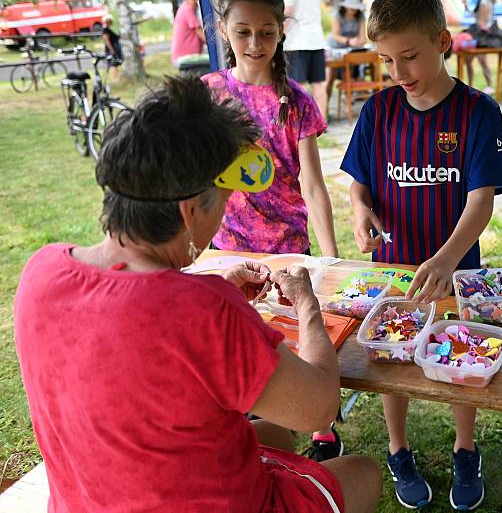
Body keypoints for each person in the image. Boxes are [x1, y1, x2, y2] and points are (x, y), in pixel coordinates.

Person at [13, 75, 382, 513]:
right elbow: (318, 408)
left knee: (275, 435)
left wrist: (219, 302)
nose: (223, 216)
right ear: (189, 211)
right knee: (364, 473)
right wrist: (307, 305)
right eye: (223, 202)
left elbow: (134, 343)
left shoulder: (42, 270)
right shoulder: (204, 311)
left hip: (90, 497)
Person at [340, 0, 502, 509]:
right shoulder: (379, 111)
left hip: (453, 269)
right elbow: (358, 180)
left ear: (443, 41)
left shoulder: (478, 112)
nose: (399, 73)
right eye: (387, 60)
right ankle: (399, 448)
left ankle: (466, 448)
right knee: (391, 359)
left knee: (463, 358)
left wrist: (445, 259)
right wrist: (359, 208)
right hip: (393, 269)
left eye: (410, 57)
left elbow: (481, 201)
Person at [205, 0, 341, 462]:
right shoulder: (209, 97)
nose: (256, 44)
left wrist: (329, 256)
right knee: (244, 344)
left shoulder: (297, 101)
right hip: (229, 249)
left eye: (266, 31)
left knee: (299, 334)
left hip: (289, 246)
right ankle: (258, 424)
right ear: (223, 30)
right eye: (243, 32)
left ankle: (322, 424)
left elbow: (313, 185)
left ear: (281, 31)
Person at [278, 0, 328, 119]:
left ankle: (301, 124)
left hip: (296, 42)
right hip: (316, 39)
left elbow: (287, 11)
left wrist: (277, 37)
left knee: (297, 86)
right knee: (319, 85)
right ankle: (321, 122)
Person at [326, 0, 367, 108]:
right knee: (331, 77)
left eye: (356, 8)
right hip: (336, 47)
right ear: (346, 6)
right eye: (351, 8)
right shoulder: (337, 15)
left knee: (349, 72)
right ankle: (326, 105)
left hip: (350, 49)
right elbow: (335, 35)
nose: (354, 10)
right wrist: (349, 41)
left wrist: (358, 42)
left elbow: (362, 37)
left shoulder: (360, 16)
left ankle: (349, 96)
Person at [464, 0, 495, 93]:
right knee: (470, 59)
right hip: (480, 35)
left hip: (481, 36)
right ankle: (471, 85)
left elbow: (482, 22)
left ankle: (489, 85)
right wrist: (467, 8)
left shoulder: (483, 2)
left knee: (480, 60)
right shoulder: (483, 1)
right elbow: (478, 18)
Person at [171, 0, 206, 65]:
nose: (196, 2)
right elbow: (199, 31)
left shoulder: (182, 9)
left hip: (182, 57)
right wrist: (214, 43)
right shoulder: (188, 9)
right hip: (186, 58)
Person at [101, 14, 122, 79]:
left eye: (110, 21)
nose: (109, 22)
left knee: (116, 63)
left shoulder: (110, 29)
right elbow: (106, 40)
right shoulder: (105, 30)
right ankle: (114, 78)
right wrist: (111, 50)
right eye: (108, 21)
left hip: (115, 48)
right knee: (113, 64)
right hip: (111, 49)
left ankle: (117, 77)